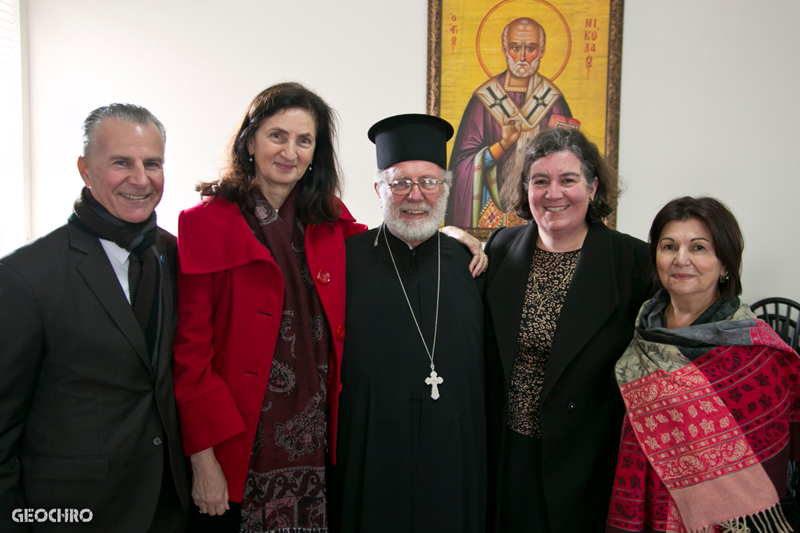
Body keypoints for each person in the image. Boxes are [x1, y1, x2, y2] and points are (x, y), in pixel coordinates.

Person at [172, 87, 485, 532]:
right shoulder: (204, 223)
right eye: (277, 135)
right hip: (238, 444)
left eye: (304, 140)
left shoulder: (327, 221)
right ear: (249, 141)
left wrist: (449, 233)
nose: (290, 151)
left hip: (316, 450)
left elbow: (398, 234)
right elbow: (189, 356)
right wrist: (203, 460)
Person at [0, 104, 190, 532]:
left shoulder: (177, 255)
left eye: (152, 163)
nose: (140, 179)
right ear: (85, 170)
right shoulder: (23, 277)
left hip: (170, 507)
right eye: (121, 162)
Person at [483, 127, 653, 532]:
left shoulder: (632, 261)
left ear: (593, 188)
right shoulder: (500, 248)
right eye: (540, 181)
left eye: (568, 180)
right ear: (526, 189)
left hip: (589, 461)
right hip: (511, 457)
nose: (553, 193)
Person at [327, 114, 487, 533]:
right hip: (372, 449)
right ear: (380, 189)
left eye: (430, 182)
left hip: (453, 448)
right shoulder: (345, 260)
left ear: (447, 190)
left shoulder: (473, 264)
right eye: (400, 182)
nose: (415, 195)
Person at [606, 197, 800, 533]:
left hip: (720, 520)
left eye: (698, 248)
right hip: (648, 505)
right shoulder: (639, 328)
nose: (681, 260)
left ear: (725, 263)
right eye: (669, 246)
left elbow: (763, 455)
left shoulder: (757, 351)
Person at [446, 17, 578, 230]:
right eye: (516, 47)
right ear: (505, 49)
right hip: (491, 210)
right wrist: (503, 145)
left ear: (542, 51)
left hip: (540, 219)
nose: (523, 57)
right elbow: (463, 166)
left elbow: (571, 165)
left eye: (531, 48)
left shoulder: (554, 100)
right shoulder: (483, 100)